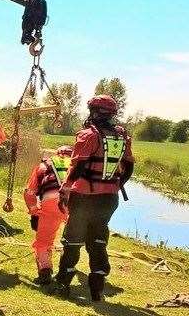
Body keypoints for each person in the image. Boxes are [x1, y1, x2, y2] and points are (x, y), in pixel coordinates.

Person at [56, 95, 135, 301]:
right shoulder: (121, 136)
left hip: (84, 196)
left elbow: (78, 167)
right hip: (109, 199)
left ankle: (63, 284)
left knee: (72, 241)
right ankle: (97, 289)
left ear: (94, 111)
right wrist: (118, 184)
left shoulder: (88, 135)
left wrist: (65, 189)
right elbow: (129, 166)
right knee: (98, 240)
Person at [24, 145, 71, 285]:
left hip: (51, 203)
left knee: (43, 243)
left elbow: (29, 193)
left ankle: (45, 272)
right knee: (72, 242)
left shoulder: (43, 166)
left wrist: (34, 211)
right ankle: (67, 271)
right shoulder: (78, 165)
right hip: (74, 204)